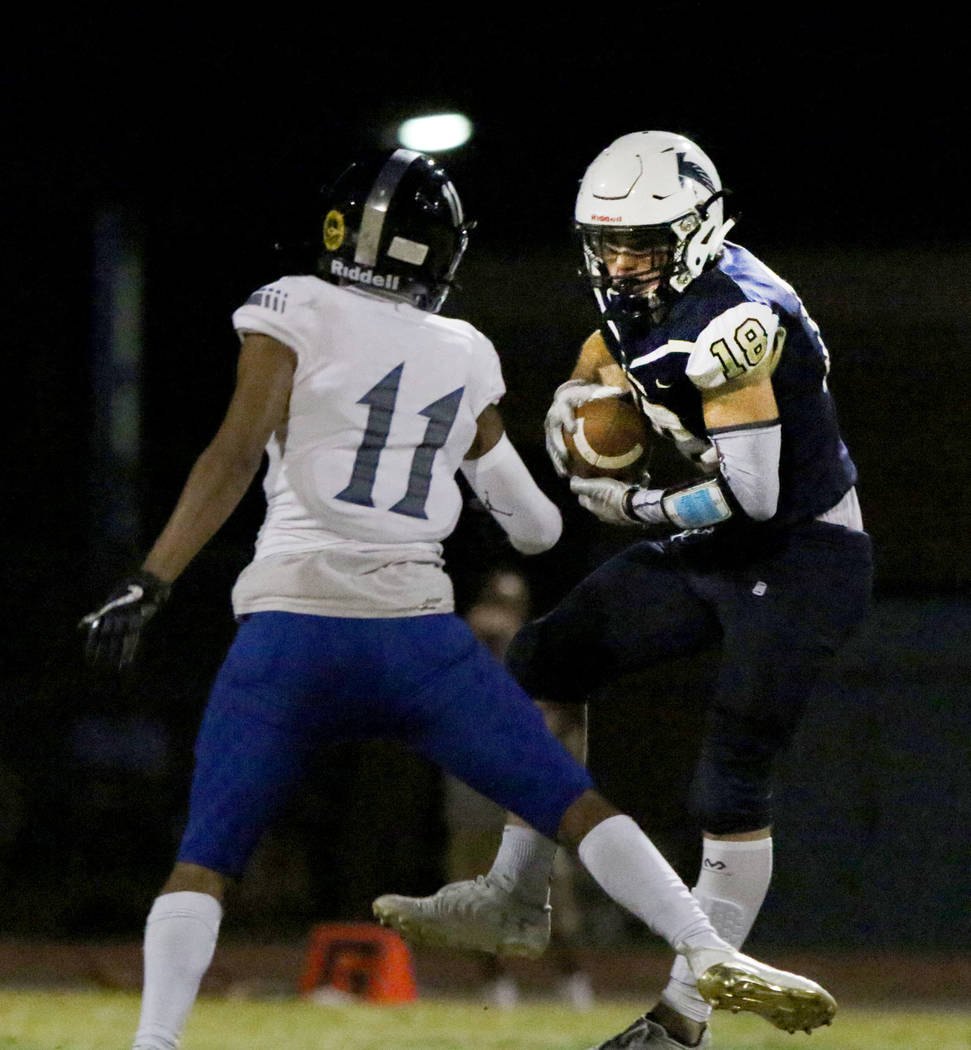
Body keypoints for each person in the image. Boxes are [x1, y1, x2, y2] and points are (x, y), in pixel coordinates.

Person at [79, 146, 838, 1050]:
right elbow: (532, 527)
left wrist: (150, 576)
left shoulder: (293, 304)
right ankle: (699, 941)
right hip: (415, 641)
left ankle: (154, 1043)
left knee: (203, 860)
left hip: (291, 629)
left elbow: (234, 454)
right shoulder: (463, 348)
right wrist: (581, 473)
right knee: (571, 803)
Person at [370, 131, 873, 1050]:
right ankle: (516, 895)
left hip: (801, 551)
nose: (619, 262)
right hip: (720, 546)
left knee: (726, 783)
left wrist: (629, 499)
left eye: (640, 243)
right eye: (607, 242)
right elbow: (612, 342)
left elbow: (752, 495)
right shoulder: (651, 290)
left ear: (693, 231)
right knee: (546, 654)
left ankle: (680, 1024)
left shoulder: (736, 319)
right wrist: (578, 387)